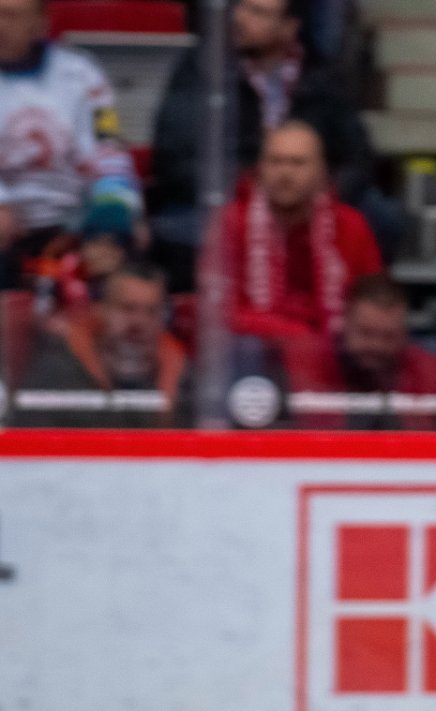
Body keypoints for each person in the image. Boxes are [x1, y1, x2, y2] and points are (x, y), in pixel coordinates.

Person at [149, 0, 400, 287]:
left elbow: (357, 155)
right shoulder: (202, 66)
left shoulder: (321, 75)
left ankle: (356, 308)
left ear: (289, 27)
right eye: (241, 8)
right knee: (180, 228)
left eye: (258, 13)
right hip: (227, 196)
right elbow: (174, 158)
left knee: (384, 217)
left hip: (309, 198)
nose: (240, 18)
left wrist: (323, 191)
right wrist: (253, 187)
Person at [0, 0, 144, 288]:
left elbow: (110, 154)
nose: (0, 25)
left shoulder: (81, 74)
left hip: (71, 224)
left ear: (40, 22)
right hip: (7, 224)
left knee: (124, 244)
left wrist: (109, 226)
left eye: (11, 16)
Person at [208, 120, 384, 344]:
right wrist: (299, 337)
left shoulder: (351, 226)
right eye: (275, 161)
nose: (285, 172)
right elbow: (219, 311)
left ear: (321, 171)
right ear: (259, 168)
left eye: (297, 162)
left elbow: (374, 306)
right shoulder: (230, 223)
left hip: (336, 353)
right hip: (254, 351)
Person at [12, 261, 190, 427]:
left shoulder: (179, 372)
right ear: (102, 309)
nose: (139, 322)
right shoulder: (60, 366)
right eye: (128, 308)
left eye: (151, 311)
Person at [280, 274, 436, 428]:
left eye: (388, 336)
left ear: (404, 333)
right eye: (366, 333)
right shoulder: (307, 361)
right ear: (345, 323)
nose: (376, 345)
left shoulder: (429, 370)